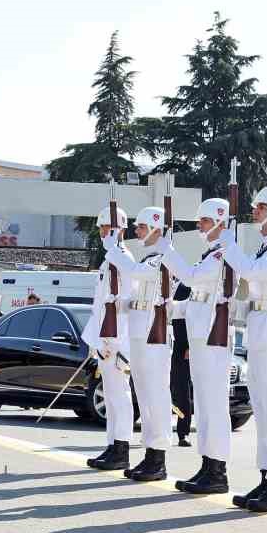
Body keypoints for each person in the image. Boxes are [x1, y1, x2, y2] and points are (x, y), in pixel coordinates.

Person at [218, 185, 267, 513]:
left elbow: (251, 273)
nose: (255, 212)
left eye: (262, 207)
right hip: (261, 334)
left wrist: (228, 244)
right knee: (263, 412)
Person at [161, 198, 237, 494]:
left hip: (213, 338)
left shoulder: (221, 255)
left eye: (204, 221)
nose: (199, 227)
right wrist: (171, 308)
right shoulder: (211, 254)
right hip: (200, 335)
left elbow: (192, 279)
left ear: (219, 222)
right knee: (204, 405)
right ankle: (208, 465)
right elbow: (197, 299)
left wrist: (167, 250)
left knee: (214, 405)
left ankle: (218, 469)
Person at [103, 206, 173, 481]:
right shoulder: (150, 258)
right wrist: (126, 303)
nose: (137, 231)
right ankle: (150, 455)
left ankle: (159, 457)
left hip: (154, 337)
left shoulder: (161, 259)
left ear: (156, 228)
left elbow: (136, 272)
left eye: (142, 227)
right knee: (144, 396)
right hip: (141, 333)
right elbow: (141, 291)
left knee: (156, 397)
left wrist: (114, 248)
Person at [84, 205, 134, 470]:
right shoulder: (109, 260)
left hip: (116, 341)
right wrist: (97, 339)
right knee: (112, 396)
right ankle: (112, 445)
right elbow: (101, 305)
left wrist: (113, 341)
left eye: (107, 228)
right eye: (102, 228)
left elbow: (123, 306)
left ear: (119, 230)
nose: (103, 233)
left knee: (119, 396)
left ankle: (122, 447)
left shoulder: (123, 259)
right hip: (105, 339)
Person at [170, 283, 194, 447]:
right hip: (173, 347)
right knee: (178, 393)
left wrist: (188, 346)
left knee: (183, 394)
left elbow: (189, 320)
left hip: (184, 348)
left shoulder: (189, 285)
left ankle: (182, 433)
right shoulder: (181, 286)